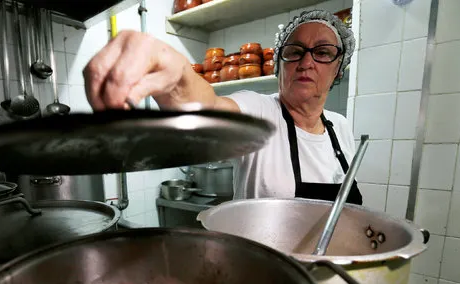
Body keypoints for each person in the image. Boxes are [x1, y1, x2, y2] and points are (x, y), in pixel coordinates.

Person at [83, 10, 362, 205]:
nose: (306, 62)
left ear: (339, 69)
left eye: (323, 52)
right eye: (295, 51)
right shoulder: (260, 112)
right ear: (279, 65)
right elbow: (208, 107)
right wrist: (177, 79)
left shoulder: (341, 127)